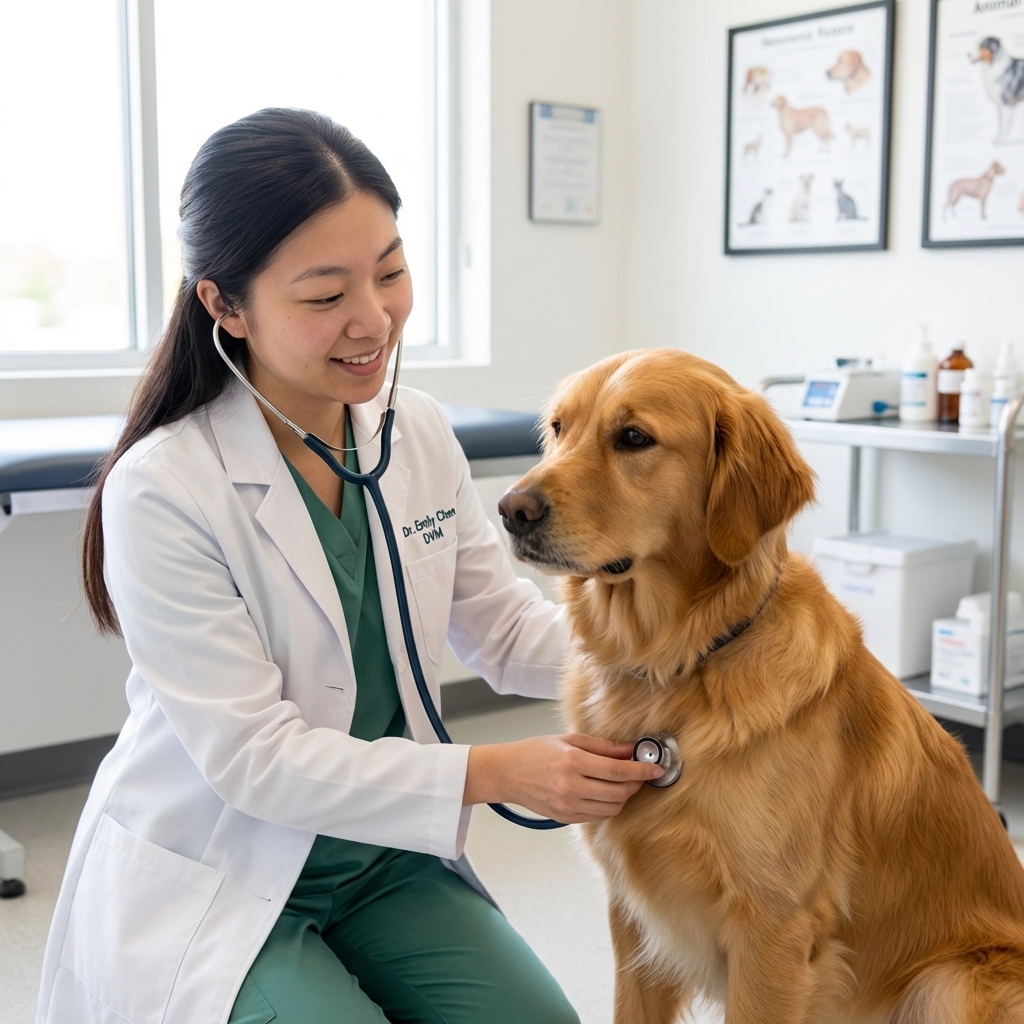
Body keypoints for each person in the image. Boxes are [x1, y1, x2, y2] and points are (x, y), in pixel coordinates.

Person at [36, 108, 662, 1024]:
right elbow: (257, 763)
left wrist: (688, 650)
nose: (374, 321)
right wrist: (496, 771)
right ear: (225, 305)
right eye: (325, 296)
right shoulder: (164, 489)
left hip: (381, 855)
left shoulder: (417, 434)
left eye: (392, 272)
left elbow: (501, 627)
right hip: (226, 866)